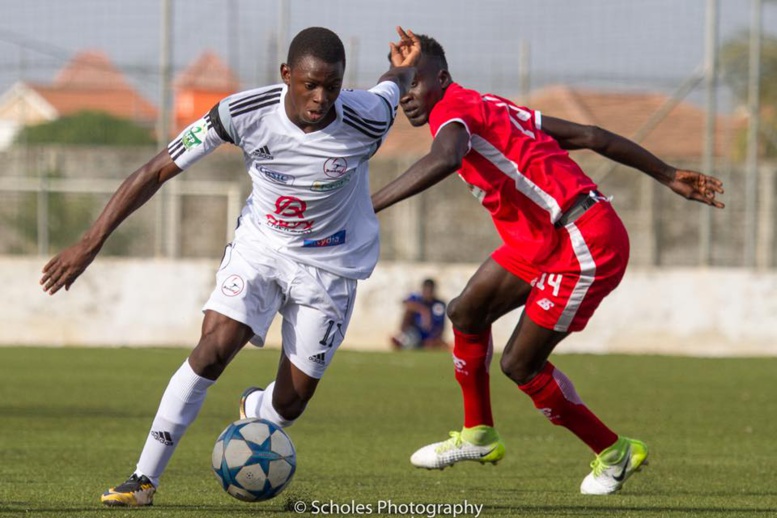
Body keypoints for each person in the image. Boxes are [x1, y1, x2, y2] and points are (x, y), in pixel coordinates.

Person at [40, 27, 421, 507]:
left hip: (331, 266)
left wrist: (407, 66)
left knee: (290, 404)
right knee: (213, 349)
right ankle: (143, 479)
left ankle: (255, 406)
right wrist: (90, 242)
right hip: (260, 248)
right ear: (287, 75)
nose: (322, 98)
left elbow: (393, 83)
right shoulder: (241, 113)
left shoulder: (368, 118)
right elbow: (157, 169)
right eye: (310, 84)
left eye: (333, 85)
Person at [372, 29, 725, 495]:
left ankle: (615, 453)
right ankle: (479, 435)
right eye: (400, 90)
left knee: (520, 364)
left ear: (441, 78)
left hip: (581, 243)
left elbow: (446, 156)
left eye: (412, 84)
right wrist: (666, 173)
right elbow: (591, 135)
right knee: (465, 313)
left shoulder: (452, 113)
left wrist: (366, 205)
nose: (406, 99)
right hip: (541, 239)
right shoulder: (488, 105)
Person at [391, 278, 449, 350]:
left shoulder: (439, 304)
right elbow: (405, 303)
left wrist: (435, 337)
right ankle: (402, 337)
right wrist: (423, 311)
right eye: (426, 290)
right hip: (416, 332)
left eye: (430, 291)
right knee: (408, 312)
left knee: (437, 344)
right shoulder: (416, 298)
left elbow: (440, 325)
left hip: (430, 335)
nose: (428, 293)